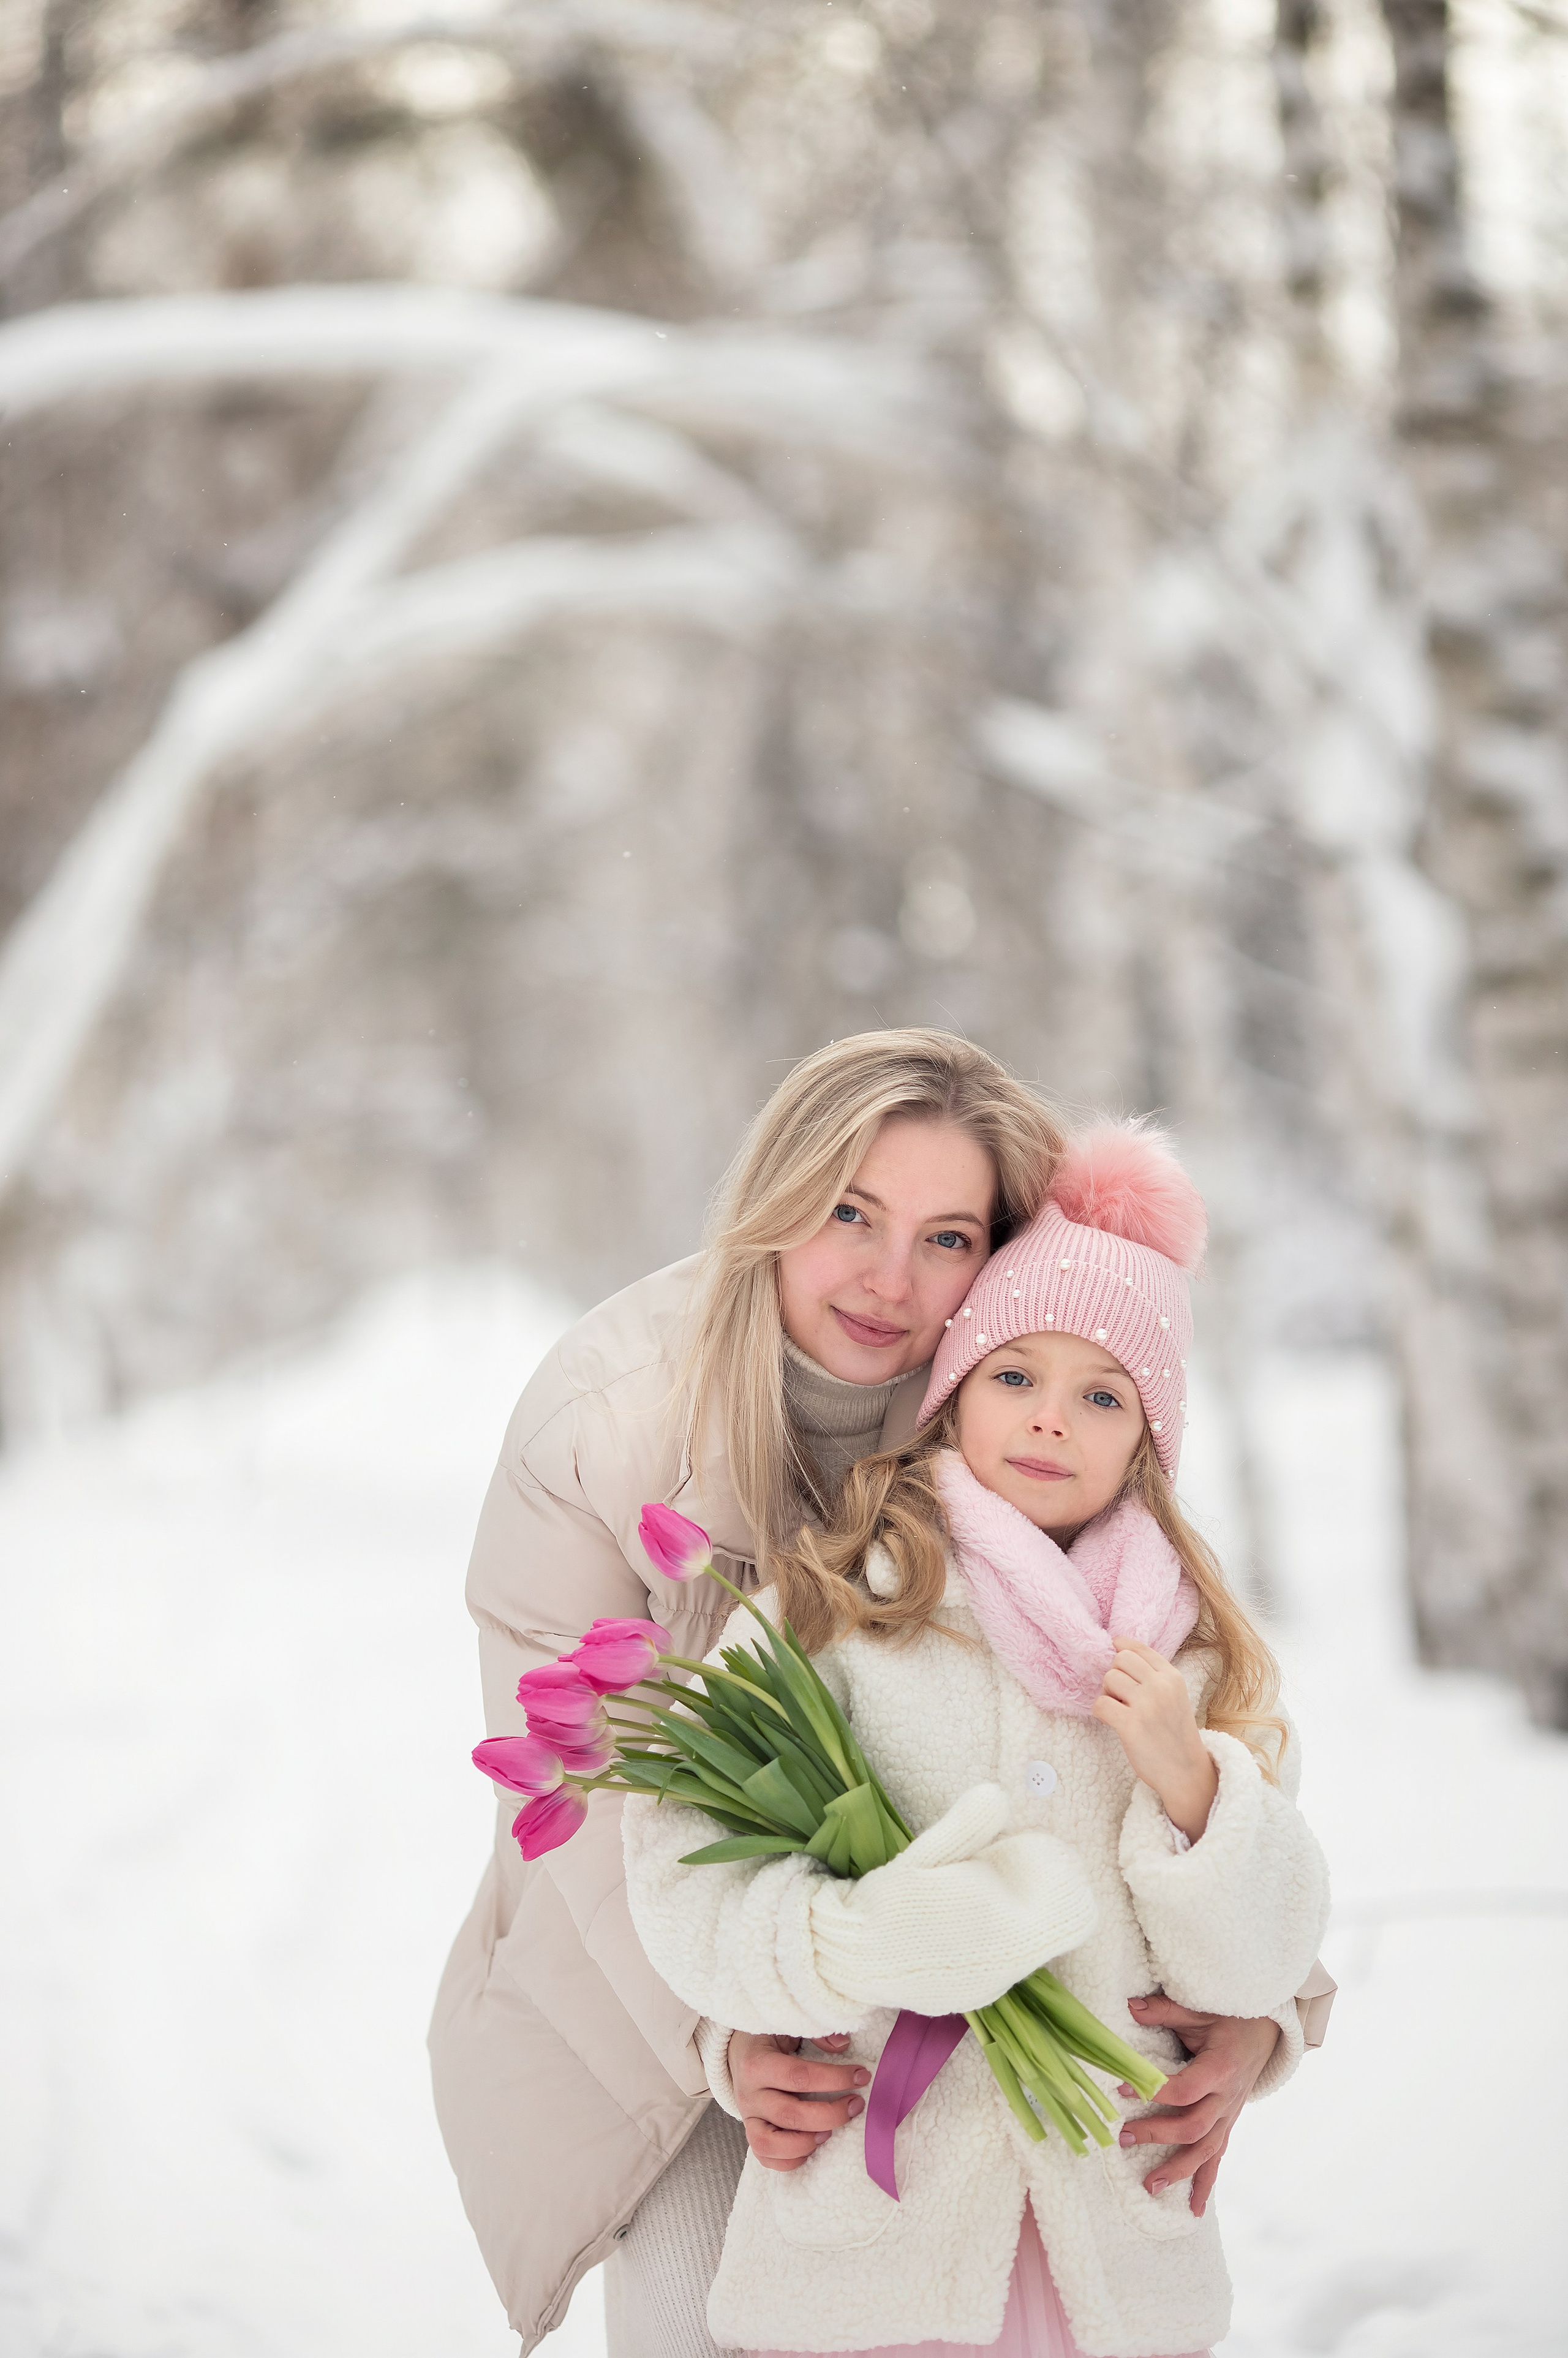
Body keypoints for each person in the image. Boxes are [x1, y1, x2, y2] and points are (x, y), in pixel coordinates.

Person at [431, 1034, 1329, 2355]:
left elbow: (1172, 1735)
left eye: (948, 1234)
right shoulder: (611, 1417)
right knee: (696, 2316)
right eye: (849, 1209)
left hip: (988, 2083)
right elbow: (594, 1775)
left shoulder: (1024, 1381)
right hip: (658, 1987)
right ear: (775, 1194)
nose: (887, 1277)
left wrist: (1264, 2011)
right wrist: (722, 2042)